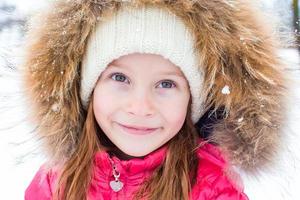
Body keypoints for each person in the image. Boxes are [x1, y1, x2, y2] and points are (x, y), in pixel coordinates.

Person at [23, 0, 286, 199]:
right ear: (88, 90)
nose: (140, 107)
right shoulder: (55, 183)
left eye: (166, 84)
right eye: (120, 78)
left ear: (194, 102)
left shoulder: (213, 188)